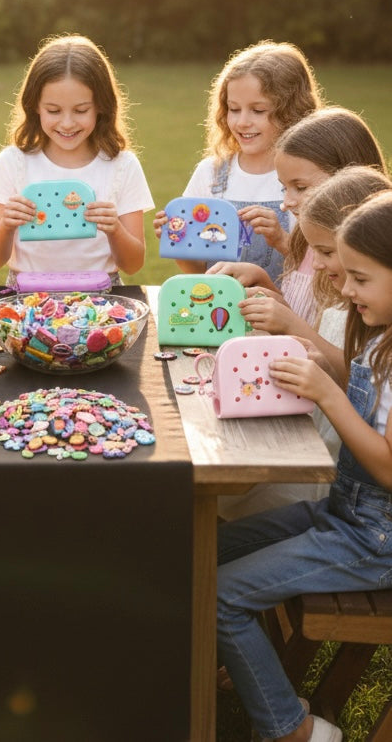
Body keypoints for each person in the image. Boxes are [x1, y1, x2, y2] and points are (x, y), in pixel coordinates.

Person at [216, 188, 392, 742]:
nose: (344, 288)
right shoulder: (380, 335)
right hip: (346, 514)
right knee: (201, 548)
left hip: (376, 541)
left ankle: (292, 729)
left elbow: (388, 471)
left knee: (222, 594)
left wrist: (329, 395)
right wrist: (318, 366)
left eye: (361, 279)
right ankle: (236, 665)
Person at [218, 165, 392, 522]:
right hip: (344, 498)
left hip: (363, 516)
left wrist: (324, 388)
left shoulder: (373, 322)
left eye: (327, 254)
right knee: (208, 546)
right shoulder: (372, 323)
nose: (321, 268)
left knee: (218, 568)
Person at [0, 34, 154, 283]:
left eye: (81, 110)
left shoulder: (123, 166)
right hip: (27, 296)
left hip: (101, 298)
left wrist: (115, 229)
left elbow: (133, 264)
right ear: (35, 106)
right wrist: (6, 225)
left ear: (101, 106)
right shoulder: (13, 162)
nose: (67, 123)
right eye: (53, 111)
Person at [153, 40, 323, 281]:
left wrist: (282, 241)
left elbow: (325, 271)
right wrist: (177, 243)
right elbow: (200, 270)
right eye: (234, 109)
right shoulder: (210, 174)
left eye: (258, 110)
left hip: (286, 314)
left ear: (292, 111)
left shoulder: (308, 179)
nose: (242, 122)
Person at [217, 107, 388, 329]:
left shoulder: (360, 265)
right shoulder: (308, 241)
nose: (286, 202)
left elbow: (344, 353)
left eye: (300, 187)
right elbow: (305, 320)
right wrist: (265, 284)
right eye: (284, 188)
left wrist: (289, 323)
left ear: (346, 179)